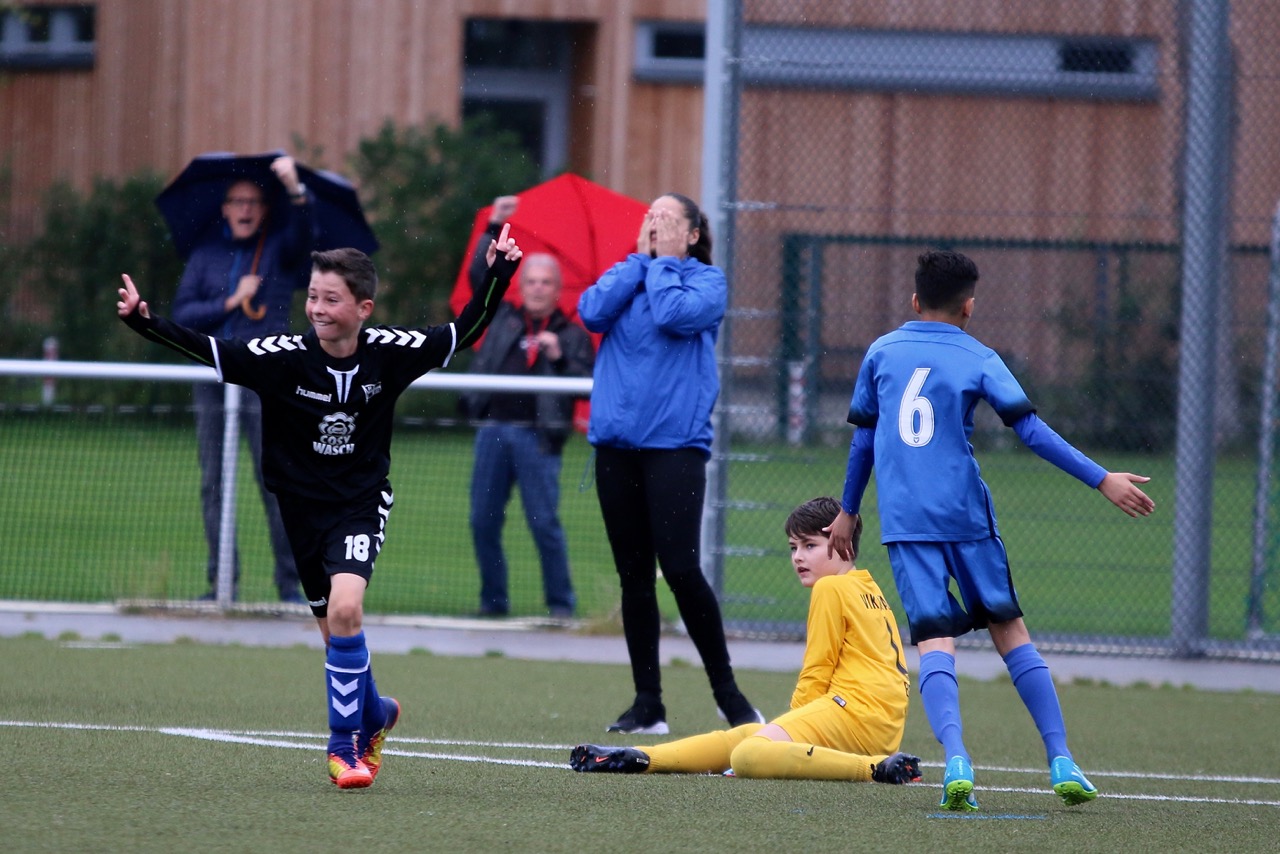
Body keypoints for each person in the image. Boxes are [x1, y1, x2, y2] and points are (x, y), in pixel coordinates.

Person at [116, 228, 525, 788]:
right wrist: (145, 320)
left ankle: (344, 749)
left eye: (331, 299)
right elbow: (211, 347)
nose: (317, 308)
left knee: (347, 608)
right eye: (312, 296)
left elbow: (465, 331)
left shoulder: (391, 353)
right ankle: (376, 714)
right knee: (335, 634)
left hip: (359, 504)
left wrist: (497, 273)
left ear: (364, 308)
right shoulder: (282, 358)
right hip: (300, 512)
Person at [828, 249, 1156, 811]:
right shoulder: (979, 356)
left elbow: (864, 439)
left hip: (907, 525)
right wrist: (1101, 478)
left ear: (913, 300)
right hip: (966, 518)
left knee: (934, 642)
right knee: (1011, 632)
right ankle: (1061, 760)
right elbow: (1031, 430)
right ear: (969, 306)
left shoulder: (882, 352)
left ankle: (957, 759)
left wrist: (848, 509)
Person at [570, 496, 922, 785]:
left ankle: (873, 768)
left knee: (749, 754)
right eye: (793, 547)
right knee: (749, 733)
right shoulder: (868, 586)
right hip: (877, 723)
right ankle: (643, 757)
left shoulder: (831, 588)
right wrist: (781, 734)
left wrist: (789, 733)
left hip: (856, 716)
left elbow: (817, 670)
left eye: (810, 545)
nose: (797, 556)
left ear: (843, 544)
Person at [577, 192, 762, 735]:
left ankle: (729, 697)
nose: (652, 223)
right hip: (616, 446)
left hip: (675, 447)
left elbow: (673, 313)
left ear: (693, 232)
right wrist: (640, 261)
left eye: (666, 217)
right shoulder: (631, 273)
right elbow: (591, 311)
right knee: (634, 576)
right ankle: (648, 703)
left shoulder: (707, 283)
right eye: (648, 216)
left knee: (680, 569)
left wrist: (661, 265)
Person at [171, 155, 316, 603]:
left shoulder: (279, 249)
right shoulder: (205, 255)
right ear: (225, 208)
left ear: (265, 208)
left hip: (265, 381)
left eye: (254, 201)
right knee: (213, 481)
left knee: (275, 481)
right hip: (214, 379)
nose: (246, 208)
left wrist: (296, 190)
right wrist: (231, 301)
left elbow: (307, 240)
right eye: (237, 201)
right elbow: (183, 315)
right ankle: (222, 584)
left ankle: (291, 587)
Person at [462, 196, 595, 618]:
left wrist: (558, 356)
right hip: (494, 430)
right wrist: (493, 226)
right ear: (521, 285)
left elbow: (588, 383)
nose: (537, 288)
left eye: (546, 283)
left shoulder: (570, 333)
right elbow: (479, 278)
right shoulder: (503, 318)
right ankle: (493, 603)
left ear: (557, 290)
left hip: (539, 440)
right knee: (483, 521)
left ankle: (560, 605)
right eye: (531, 281)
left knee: (543, 525)